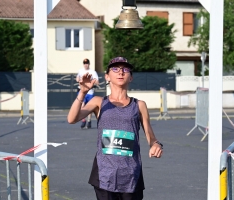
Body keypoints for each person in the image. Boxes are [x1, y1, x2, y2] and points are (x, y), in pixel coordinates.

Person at [68, 56, 163, 200]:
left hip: (131, 174)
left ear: (130, 77)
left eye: (125, 69)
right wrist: (82, 92)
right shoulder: (99, 102)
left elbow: (152, 138)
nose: (120, 72)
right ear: (107, 76)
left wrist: (156, 145)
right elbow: (72, 119)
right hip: (104, 174)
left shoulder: (139, 105)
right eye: (115, 68)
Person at [76, 58, 99, 129]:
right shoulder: (80, 71)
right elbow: (77, 78)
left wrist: (91, 81)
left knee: (89, 107)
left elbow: (97, 81)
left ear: (89, 64)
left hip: (90, 92)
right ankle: (83, 120)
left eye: (87, 63)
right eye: (84, 63)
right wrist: (79, 80)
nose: (86, 65)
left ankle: (89, 121)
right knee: (82, 105)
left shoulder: (93, 72)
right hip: (82, 91)